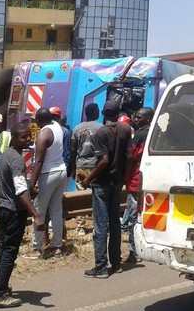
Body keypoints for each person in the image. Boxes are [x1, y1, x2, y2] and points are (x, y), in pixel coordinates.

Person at [0, 123, 44, 309]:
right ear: (14, 138)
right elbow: (20, 190)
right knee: (9, 252)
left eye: (29, 136)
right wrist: (36, 214)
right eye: (23, 137)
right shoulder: (17, 161)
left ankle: (2, 287)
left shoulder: (6, 154)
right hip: (14, 212)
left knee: (4, 249)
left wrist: (12, 191)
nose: (28, 139)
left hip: (4, 209)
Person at [80, 100, 131, 278]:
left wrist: (88, 178)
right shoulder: (126, 129)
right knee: (115, 224)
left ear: (104, 112)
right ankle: (116, 262)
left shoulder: (102, 132)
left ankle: (100, 267)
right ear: (119, 112)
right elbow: (129, 156)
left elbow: (104, 161)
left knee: (100, 226)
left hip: (101, 183)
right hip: (117, 183)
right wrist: (124, 176)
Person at [24, 108, 66, 259]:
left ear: (39, 121)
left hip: (47, 174)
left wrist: (32, 183)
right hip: (61, 171)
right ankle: (57, 247)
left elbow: (39, 161)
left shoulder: (43, 134)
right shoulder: (57, 126)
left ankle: (36, 248)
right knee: (56, 211)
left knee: (39, 211)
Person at [122, 107, 153, 263]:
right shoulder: (157, 133)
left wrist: (124, 177)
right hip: (152, 181)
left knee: (133, 219)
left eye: (140, 117)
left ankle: (134, 252)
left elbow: (130, 156)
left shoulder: (140, 136)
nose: (136, 119)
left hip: (136, 182)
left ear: (148, 118)